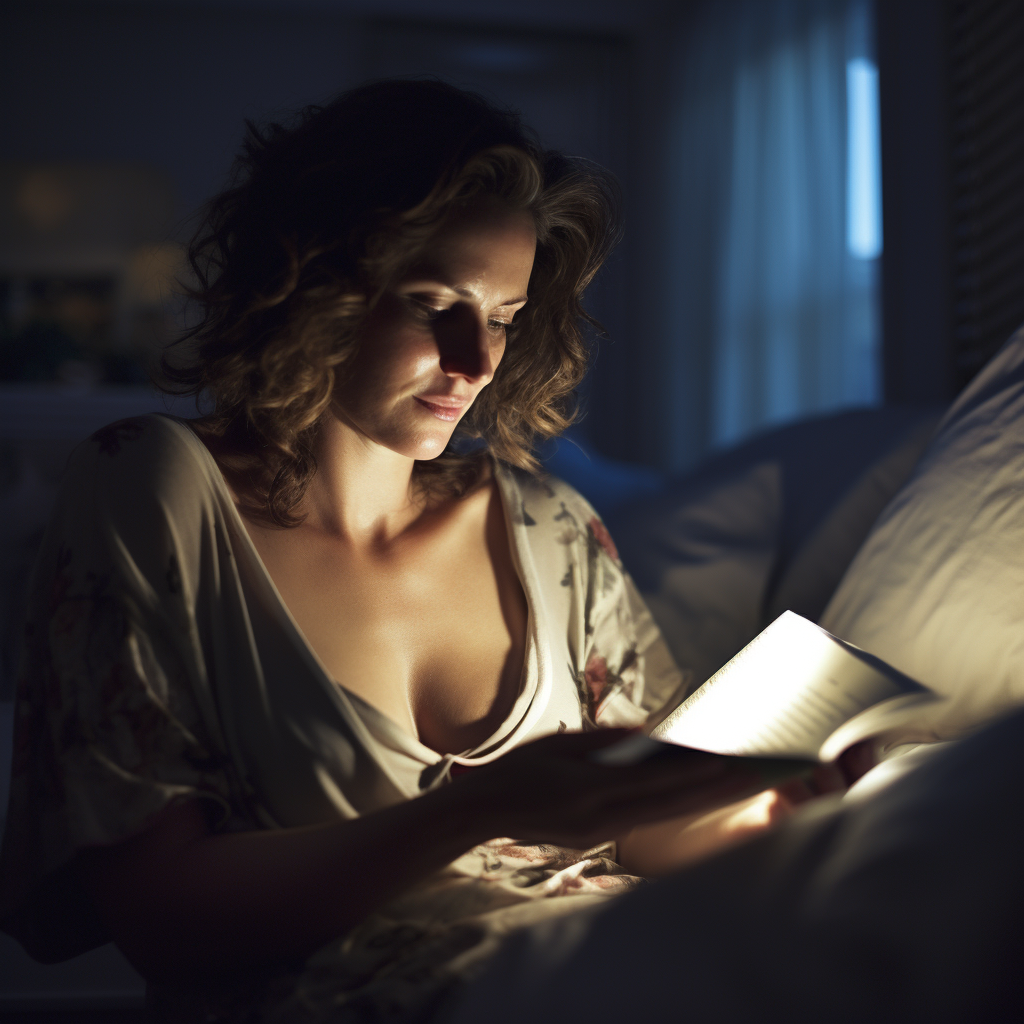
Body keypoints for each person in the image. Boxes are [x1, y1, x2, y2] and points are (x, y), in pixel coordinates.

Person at [0, 80, 818, 1023]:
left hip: (630, 967)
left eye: (504, 317)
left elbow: (641, 829)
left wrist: (766, 807)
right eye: (436, 304)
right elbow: (161, 919)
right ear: (310, 285)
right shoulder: (156, 492)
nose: (475, 359)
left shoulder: (551, 528)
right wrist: (470, 810)